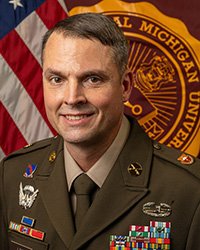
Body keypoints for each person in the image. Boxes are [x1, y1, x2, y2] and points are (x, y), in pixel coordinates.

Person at [0, 13, 200, 250]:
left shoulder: (190, 191)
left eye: (92, 79)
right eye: (57, 79)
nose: (72, 98)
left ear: (125, 87)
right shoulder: (12, 175)